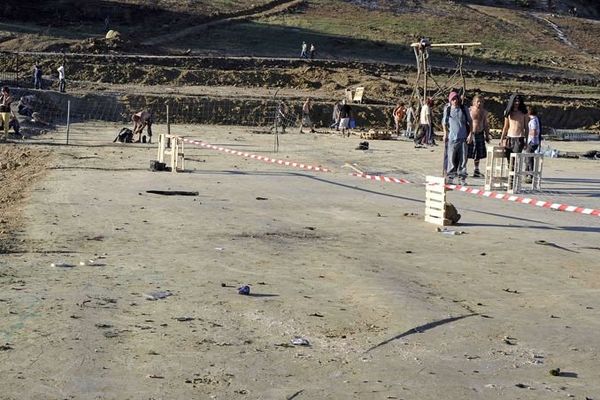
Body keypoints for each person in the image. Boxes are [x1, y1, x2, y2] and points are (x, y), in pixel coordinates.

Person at [442, 91, 472, 185]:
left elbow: (470, 122)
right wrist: (445, 133)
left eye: (456, 99)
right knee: (451, 159)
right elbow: (444, 122)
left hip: (463, 138)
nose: (455, 101)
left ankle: (462, 178)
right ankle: (450, 177)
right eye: (453, 99)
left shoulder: (464, 109)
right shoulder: (448, 109)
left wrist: (470, 134)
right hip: (452, 138)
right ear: (450, 100)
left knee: (463, 160)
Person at [467, 94, 491, 178]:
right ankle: (463, 169)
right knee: (466, 152)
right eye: (478, 102)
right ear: (473, 102)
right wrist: (469, 133)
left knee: (478, 153)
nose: (479, 103)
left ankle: (476, 170)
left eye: (481, 102)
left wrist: (487, 136)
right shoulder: (469, 110)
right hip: (470, 134)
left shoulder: (484, 112)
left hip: (479, 134)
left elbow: (485, 124)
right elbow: (466, 123)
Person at [499, 93, 528, 161]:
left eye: (518, 101)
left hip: (519, 137)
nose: (517, 103)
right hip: (509, 137)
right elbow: (505, 127)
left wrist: (526, 141)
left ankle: (514, 170)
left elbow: (526, 127)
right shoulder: (508, 112)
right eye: (515, 101)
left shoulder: (524, 113)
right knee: (509, 159)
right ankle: (511, 170)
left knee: (515, 158)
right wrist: (501, 139)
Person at [525, 105, 541, 183]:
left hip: (532, 141)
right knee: (528, 157)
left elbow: (534, 131)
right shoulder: (536, 119)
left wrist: (527, 132)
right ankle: (527, 172)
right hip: (535, 141)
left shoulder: (533, 120)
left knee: (529, 158)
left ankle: (530, 174)